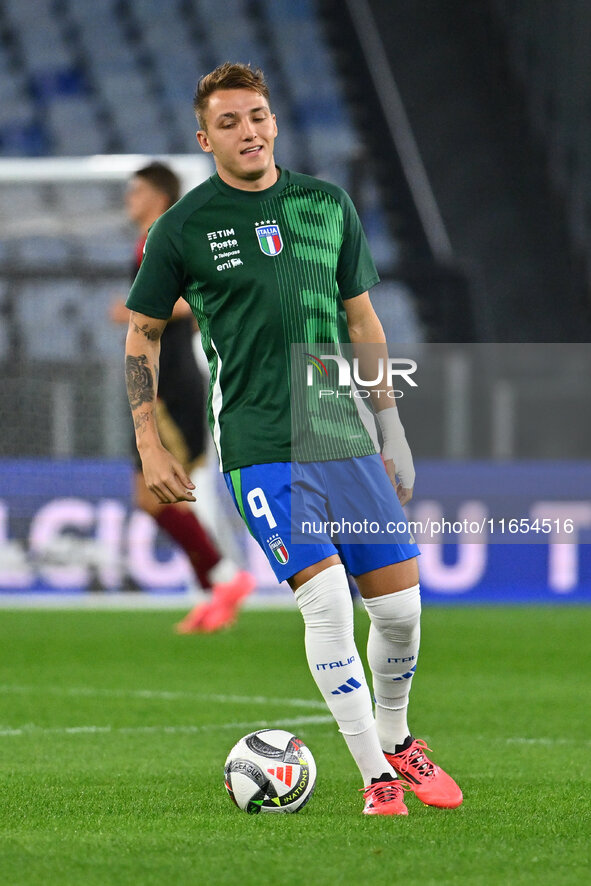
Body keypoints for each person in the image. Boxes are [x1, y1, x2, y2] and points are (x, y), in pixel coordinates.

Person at [124, 63, 462, 815]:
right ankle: (375, 776)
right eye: (231, 122)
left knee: (401, 614)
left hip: (340, 433)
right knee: (327, 607)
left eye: (258, 116)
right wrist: (149, 441)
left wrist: (390, 424)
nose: (249, 131)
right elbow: (143, 336)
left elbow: (363, 322)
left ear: (272, 121)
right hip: (260, 444)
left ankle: (398, 737)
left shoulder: (325, 204)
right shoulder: (180, 229)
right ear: (204, 137)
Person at [111, 161, 254, 632]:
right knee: (157, 498)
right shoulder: (149, 240)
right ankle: (218, 588)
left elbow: (204, 296)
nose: (128, 199)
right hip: (158, 383)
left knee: (156, 497)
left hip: (173, 386)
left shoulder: (166, 236)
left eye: (136, 191)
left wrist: (143, 309)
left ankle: (223, 577)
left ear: (158, 194)